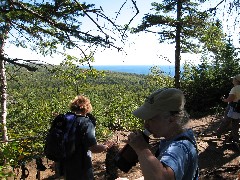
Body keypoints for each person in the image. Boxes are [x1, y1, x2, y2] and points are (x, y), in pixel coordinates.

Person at [117, 88, 198, 180]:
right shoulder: (173, 139)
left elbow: (163, 178)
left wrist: (142, 149)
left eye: (151, 119)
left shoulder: (180, 147)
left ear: (171, 120)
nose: (145, 124)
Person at [61, 95, 113, 180]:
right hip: (82, 167)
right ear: (87, 107)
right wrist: (106, 146)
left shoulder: (66, 120)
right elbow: (93, 148)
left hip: (67, 166)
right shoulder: (86, 122)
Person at [216, 74, 240, 150]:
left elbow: (230, 99)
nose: (232, 80)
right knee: (236, 124)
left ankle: (219, 133)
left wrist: (224, 99)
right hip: (239, 109)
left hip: (232, 108)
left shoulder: (235, 89)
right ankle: (236, 139)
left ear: (236, 80)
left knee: (225, 121)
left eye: (233, 79)